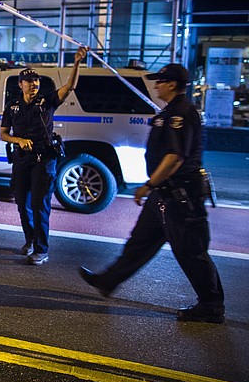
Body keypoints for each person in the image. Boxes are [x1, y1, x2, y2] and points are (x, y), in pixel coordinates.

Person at [79, 63, 225, 323]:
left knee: (190, 251)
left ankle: (211, 305)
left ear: (172, 84)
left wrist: (148, 185)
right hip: (164, 194)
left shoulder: (182, 113)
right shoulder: (168, 112)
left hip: (181, 196)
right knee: (139, 243)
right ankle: (108, 280)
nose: (156, 85)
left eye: (160, 81)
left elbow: (174, 157)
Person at [0, 45, 88, 265]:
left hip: (44, 160)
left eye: (36, 81)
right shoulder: (12, 107)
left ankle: (41, 249)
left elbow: (69, 87)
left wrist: (76, 62)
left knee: (40, 205)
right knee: (22, 203)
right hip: (21, 159)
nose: (34, 84)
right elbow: (3, 135)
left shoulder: (46, 102)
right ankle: (30, 239)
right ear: (21, 84)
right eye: (29, 81)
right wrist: (18, 140)